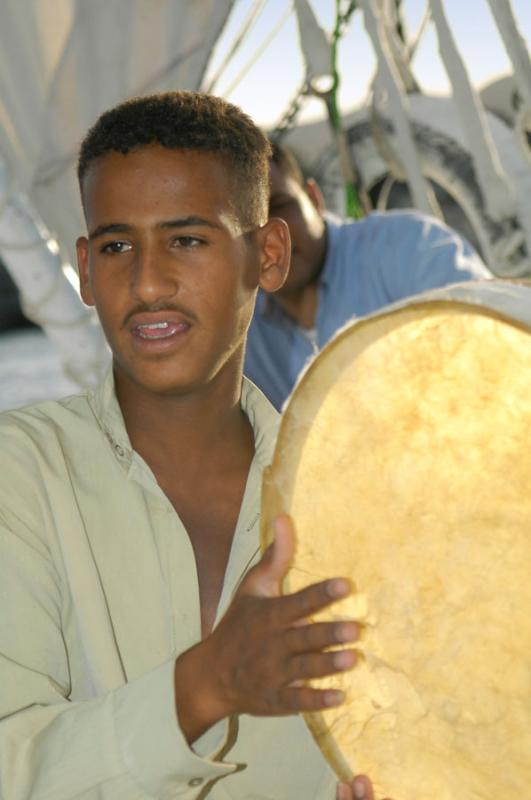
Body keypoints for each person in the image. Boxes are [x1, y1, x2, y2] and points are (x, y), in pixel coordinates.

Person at [0, 92, 390, 800]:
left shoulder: (359, 501)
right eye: (117, 246)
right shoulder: (17, 475)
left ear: (267, 255)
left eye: (187, 239)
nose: (146, 283)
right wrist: (207, 684)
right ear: (85, 269)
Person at [244, 142, 493, 409]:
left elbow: (492, 346)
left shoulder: (408, 246)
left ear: (314, 198)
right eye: (245, 224)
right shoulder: (240, 330)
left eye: (279, 207)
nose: (271, 239)